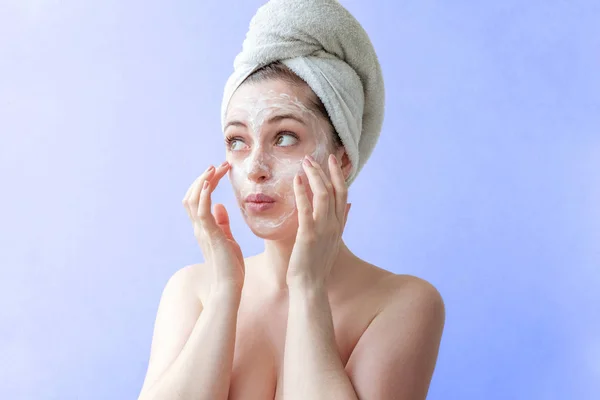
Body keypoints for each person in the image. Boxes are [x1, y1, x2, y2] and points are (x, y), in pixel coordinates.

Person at [138, 1, 445, 399]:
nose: (254, 168)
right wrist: (225, 292)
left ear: (342, 160)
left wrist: (307, 288)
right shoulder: (192, 291)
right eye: (237, 141)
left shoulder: (403, 303)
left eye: (284, 137)